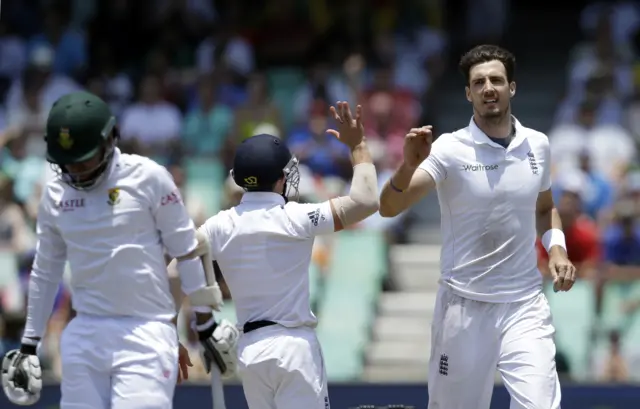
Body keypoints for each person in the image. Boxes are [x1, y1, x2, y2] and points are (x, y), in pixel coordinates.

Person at [378, 45, 576, 409]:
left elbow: (545, 208)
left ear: (511, 88)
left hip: (524, 304)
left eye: (497, 80)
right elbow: (389, 207)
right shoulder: (449, 149)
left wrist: (558, 251)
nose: (489, 88)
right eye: (479, 82)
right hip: (463, 307)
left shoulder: (538, 144)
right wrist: (407, 166)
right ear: (468, 93)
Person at [1, 91, 224, 408]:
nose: (75, 171)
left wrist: (205, 324)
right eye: (67, 163)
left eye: (84, 160)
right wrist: (28, 345)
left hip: (145, 332)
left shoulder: (150, 178)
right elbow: (45, 270)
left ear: (110, 140)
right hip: (85, 333)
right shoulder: (55, 193)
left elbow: (186, 252)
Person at [192, 101, 379, 409]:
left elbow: (177, 268)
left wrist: (199, 326)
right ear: (281, 178)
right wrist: (358, 145)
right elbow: (367, 200)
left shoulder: (218, 225)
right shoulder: (297, 217)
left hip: (250, 352)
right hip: (294, 348)